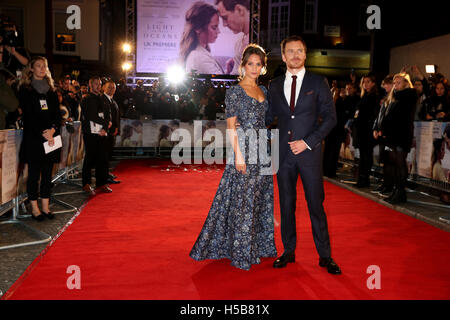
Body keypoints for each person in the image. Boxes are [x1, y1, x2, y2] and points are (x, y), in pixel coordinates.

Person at [190, 44, 277, 270]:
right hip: (244, 151)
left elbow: (264, 120)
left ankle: (258, 246)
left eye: (258, 64)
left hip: (262, 151)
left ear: (263, 67)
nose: (255, 68)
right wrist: (238, 156)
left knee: (260, 200)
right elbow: (231, 127)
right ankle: (241, 251)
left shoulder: (264, 91)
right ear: (243, 65)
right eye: (251, 64)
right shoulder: (235, 91)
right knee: (243, 202)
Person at [266, 35, 341, 274]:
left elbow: (331, 118)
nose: (295, 55)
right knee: (286, 205)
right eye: (290, 51)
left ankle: (325, 256)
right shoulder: (274, 85)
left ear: (305, 54)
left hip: (309, 155)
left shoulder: (319, 82)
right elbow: (269, 117)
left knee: (315, 205)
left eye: (300, 50)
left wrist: (308, 142)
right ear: (284, 55)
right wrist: (245, 121)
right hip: (283, 155)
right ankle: (288, 251)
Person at [18, 56, 61, 221]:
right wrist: (43, 132)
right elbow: (29, 116)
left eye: (44, 66)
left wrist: (52, 130)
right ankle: (34, 208)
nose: (42, 69)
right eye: (38, 66)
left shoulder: (51, 90)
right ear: (31, 69)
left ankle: (45, 206)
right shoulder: (25, 90)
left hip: (51, 137)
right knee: (34, 175)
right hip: (34, 138)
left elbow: (57, 115)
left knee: (47, 174)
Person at [379, 73, 417, 204]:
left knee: (400, 163)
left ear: (406, 83)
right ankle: (396, 191)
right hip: (393, 134)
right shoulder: (396, 96)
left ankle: (401, 193)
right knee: (395, 164)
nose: (395, 85)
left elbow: (400, 112)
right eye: (394, 83)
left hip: (403, 134)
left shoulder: (410, 94)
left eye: (398, 83)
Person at [80, 76, 112, 195]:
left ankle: (102, 183)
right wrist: (105, 123)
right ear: (90, 85)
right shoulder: (86, 99)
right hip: (90, 133)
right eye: (95, 84)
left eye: (99, 84)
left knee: (103, 159)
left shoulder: (103, 99)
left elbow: (108, 114)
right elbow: (91, 116)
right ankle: (86, 183)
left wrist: (105, 128)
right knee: (90, 158)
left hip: (102, 132)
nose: (98, 86)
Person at [353, 74, 381, 188]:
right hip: (361, 129)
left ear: (373, 83)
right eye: (364, 82)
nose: (365, 84)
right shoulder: (365, 95)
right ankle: (362, 178)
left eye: (368, 81)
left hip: (367, 130)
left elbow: (373, 114)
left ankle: (364, 179)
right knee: (363, 155)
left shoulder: (374, 96)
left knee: (366, 155)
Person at [180, 1, 224, 74]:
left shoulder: (199, 54)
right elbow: (222, 84)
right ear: (198, 28)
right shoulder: (199, 57)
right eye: (214, 27)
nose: (218, 31)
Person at [215, 0, 250, 74]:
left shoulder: (255, 41)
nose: (224, 24)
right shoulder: (239, 40)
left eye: (225, 17)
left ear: (239, 10)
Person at [101, 80, 121, 184]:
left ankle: (107, 174)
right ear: (104, 88)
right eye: (109, 87)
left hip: (112, 132)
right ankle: (104, 177)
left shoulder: (113, 100)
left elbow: (116, 117)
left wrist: (117, 128)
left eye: (113, 87)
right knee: (104, 156)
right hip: (105, 132)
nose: (111, 89)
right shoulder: (102, 99)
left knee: (108, 155)